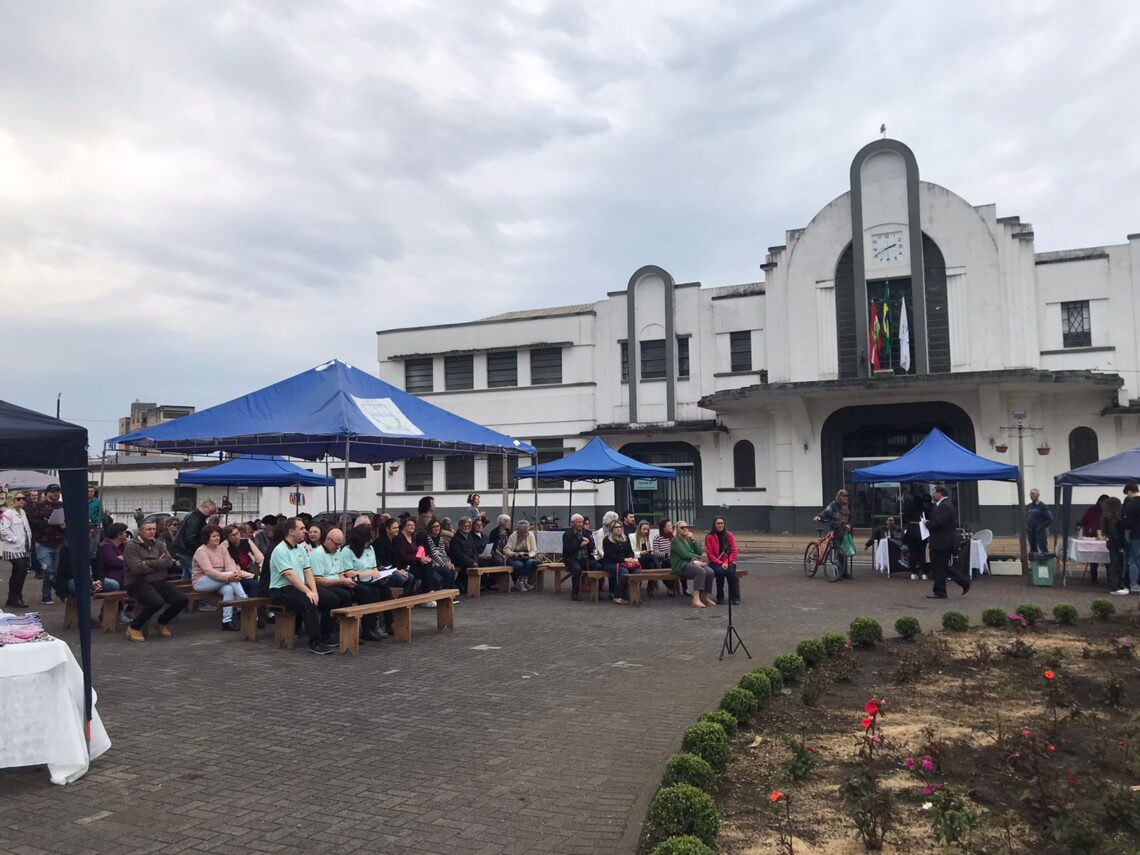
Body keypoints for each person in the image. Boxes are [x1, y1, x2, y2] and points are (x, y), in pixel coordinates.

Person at [268, 517, 335, 655]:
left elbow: (308, 571)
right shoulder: (280, 550)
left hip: (297, 587)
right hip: (281, 590)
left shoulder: (300, 548)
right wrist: (308, 592)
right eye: (302, 529)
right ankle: (315, 644)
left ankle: (325, 637)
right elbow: (290, 576)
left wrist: (314, 590)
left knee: (331, 599)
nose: (305, 531)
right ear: (291, 531)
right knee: (308, 602)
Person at [122, 520, 188, 641]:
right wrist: (158, 563)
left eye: (154, 529)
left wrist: (147, 562)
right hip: (137, 582)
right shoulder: (131, 546)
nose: (152, 532)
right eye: (148, 529)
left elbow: (168, 562)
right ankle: (134, 627)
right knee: (156, 601)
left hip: (158, 580)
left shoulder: (159, 544)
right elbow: (137, 569)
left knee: (182, 599)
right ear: (140, 531)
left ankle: (161, 622)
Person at [191, 524, 254, 631]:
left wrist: (235, 574)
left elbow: (229, 566)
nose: (217, 538)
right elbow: (209, 571)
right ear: (207, 538)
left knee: (228, 589)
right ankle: (244, 600)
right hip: (201, 581)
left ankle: (227, 621)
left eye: (218, 536)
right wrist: (228, 577)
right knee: (230, 577)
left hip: (219, 580)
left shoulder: (222, 549)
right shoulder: (201, 551)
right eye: (213, 536)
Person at [332, 525, 387, 642]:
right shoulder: (347, 551)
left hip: (371, 580)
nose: (370, 542)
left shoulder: (370, 549)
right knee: (368, 592)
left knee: (384, 590)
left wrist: (380, 575)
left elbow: (374, 568)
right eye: (367, 540)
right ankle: (367, 629)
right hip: (355, 582)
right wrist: (368, 574)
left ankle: (383, 625)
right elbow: (349, 573)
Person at [926, 484, 970, 599]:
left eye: (934, 492)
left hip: (942, 542)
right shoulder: (940, 505)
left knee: (939, 566)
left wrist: (927, 524)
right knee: (942, 566)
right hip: (941, 541)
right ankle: (961, 583)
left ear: (940, 493)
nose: (933, 494)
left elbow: (939, 523)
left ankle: (941, 590)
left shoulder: (945, 506)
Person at [29, 483, 66, 605]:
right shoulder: (39, 506)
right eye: (53, 491)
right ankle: (61, 590)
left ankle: (46, 595)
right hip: (43, 542)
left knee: (54, 570)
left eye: (58, 491)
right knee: (48, 570)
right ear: (47, 493)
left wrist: (63, 526)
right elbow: (33, 522)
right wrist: (47, 522)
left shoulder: (61, 506)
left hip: (58, 541)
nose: (56, 493)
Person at [670, 520, 714, 608]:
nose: (685, 529)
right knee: (700, 571)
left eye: (686, 527)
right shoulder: (676, 541)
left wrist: (693, 540)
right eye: (682, 528)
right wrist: (698, 558)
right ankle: (696, 599)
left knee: (710, 572)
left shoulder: (688, 540)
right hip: (681, 566)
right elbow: (684, 554)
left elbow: (699, 551)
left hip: (691, 563)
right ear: (677, 530)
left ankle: (704, 596)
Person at [1, 491, 32, 607]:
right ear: (12, 500)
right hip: (13, 548)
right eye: (18, 499)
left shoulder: (22, 512)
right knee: (21, 570)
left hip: (23, 547)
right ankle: (16, 597)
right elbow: (3, 530)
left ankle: (13, 598)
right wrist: (14, 539)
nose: (22, 501)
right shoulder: (8, 513)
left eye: (23, 498)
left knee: (17, 572)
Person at [398, 516, 439, 603]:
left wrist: (423, 558)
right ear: (404, 526)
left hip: (414, 562)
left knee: (427, 564)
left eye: (413, 525)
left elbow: (416, 553)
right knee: (426, 570)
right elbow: (402, 556)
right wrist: (419, 559)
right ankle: (428, 596)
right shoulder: (400, 538)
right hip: (404, 565)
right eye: (409, 525)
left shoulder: (413, 537)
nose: (412, 527)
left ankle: (429, 594)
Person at [815, 489, 852, 580]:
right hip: (835, 531)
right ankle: (838, 573)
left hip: (845, 532)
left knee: (844, 552)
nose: (845, 498)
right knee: (838, 552)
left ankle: (844, 573)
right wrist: (819, 517)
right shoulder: (833, 505)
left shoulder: (848, 506)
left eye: (846, 496)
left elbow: (851, 519)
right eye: (844, 496)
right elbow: (826, 513)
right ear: (839, 496)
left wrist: (849, 525)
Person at [600, 519, 639, 605]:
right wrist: (624, 560)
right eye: (616, 527)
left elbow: (630, 551)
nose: (619, 529)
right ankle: (617, 595)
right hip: (610, 563)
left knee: (637, 571)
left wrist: (631, 559)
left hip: (625, 563)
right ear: (611, 529)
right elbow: (610, 555)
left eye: (620, 527)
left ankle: (633, 593)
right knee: (624, 572)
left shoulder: (625, 538)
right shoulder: (607, 540)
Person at [561, 513, 598, 601]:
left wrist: (588, 543)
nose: (580, 524)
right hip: (573, 559)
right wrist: (579, 543)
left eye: (582, 522)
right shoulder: (567, 534)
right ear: (572, 523)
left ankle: (596, 591)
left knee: (597, 566)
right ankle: (575, 593)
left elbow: (592, 547)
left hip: (585, 558)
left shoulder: (586, 533)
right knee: (577, 569)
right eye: (578, 522)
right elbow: (568, 549)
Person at [705, 517, 740, 605]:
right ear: (714, 525)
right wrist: (720, 563)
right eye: (718, 523)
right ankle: (720, 596)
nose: (720, 525)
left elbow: (734, 551)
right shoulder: (709, 537)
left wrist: (726, 562)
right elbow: (710, 554)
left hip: (729, 561)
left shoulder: (729, 535)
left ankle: (734, 597)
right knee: (719, 572)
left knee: (730, 573)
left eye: (722, 523)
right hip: (715, 562)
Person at [223, 524, 264, 598]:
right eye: (233, 535)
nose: (237, 536)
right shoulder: (225, 548)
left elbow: (260, 559)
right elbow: (235, 570)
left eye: (237, 533)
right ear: (227, 538)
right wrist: (255, 577)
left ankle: (263, 607)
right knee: (254, 584)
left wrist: (262, 572)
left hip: (255, 571)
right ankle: (251, 607)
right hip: (239, 577)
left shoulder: (247, 542)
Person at [1078, 494, 1109, 585]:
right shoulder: (1092, 510)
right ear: (1100, 502)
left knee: (1107, 558)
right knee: (1093, 558)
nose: (1104, 505)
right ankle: (1094, 577)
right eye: (1103, 502)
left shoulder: (1109, 512)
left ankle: (1110, 578)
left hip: (1105, 537)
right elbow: (1083, 521)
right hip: (1092, 535)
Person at [424, 518, 458, 593]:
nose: (436, 528)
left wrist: (449, 562)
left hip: (442, 562)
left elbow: (443, 553)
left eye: (438, 526)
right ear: (430, 528)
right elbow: (433, 555)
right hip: (434, 564)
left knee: (452, 570)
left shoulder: (441, 539)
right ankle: (444, 595)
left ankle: (450, 594)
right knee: (447, 572)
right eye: (434, 527)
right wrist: (444, 564)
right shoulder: (428, 538)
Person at [652, 519, 685, 595]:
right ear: (664, 528)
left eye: (671, 525)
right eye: (669, 525)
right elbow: (655, 552)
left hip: (675, 559)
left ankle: (684, 588)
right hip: (664, 560)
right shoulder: (657, 538)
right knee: (668, 565)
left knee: (683, 564)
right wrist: (666, 554)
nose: (671, 527)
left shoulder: (674, 537)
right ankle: (670, 587)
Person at [448, 516, 481, 593]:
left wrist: (476, 560)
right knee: (469, 565)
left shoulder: (469, 536)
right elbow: (458, 554)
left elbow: (475, 551)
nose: (467, 528)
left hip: (469, 560)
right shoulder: (456, 538)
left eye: (469, 526)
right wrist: (472, 562)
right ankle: (462, 583)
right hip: (458, 560)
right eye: (465, 526)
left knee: (482, 564)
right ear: (460, 526)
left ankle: (476, 585)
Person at [504, 519, 538, 592]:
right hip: (514, 557)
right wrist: (515, 554)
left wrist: (529, 555)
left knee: (530, 562)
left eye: (526, 532)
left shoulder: (531, 535)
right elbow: (506, 549)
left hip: (527, 557)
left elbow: (534, 549)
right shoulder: (513, 536)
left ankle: (522, 582)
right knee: (519, 565)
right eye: (522, 533)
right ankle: (522, 583)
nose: (525, 534)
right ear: (518, 530)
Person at [1103, 497, 1127, 595]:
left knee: (1115, 563)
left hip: (1112, 542)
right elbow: (1114, 532)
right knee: (1115, 564)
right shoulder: (1112, 517)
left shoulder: (1107, 515)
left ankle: (1116, 585)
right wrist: (1120, 545)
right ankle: (1115, 586)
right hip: (1115, 542)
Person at [95, 523, 129, 591]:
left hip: (125, 575)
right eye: (125, 532)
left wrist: (123, 558)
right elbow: (114, 563)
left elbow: (134, 559)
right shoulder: (106, 546)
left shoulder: (124, 545)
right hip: (112, 576)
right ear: (119, 535)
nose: (126, 534)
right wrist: (127, 560)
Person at [1123, 484, 1140, 594]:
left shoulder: (1131, 505)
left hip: (1135, 535)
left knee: (1134, 560)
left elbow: (1127, 522)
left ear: (1129, 492)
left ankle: (1134, 584)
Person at [1026, 488, 1053, 555]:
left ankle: (1045, 563)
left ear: (1038, 495)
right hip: (1030, 531)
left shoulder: (1043, 506)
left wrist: (1040, 527)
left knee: (1043, 549)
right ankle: (1034, 564)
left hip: (1040, 532)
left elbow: (1049, 519)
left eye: (1033, 494)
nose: (1031, 495)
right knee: (1033, 550)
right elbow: (1027, 517)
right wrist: (1027, 526)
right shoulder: (1029, 506)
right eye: (1030, 494)